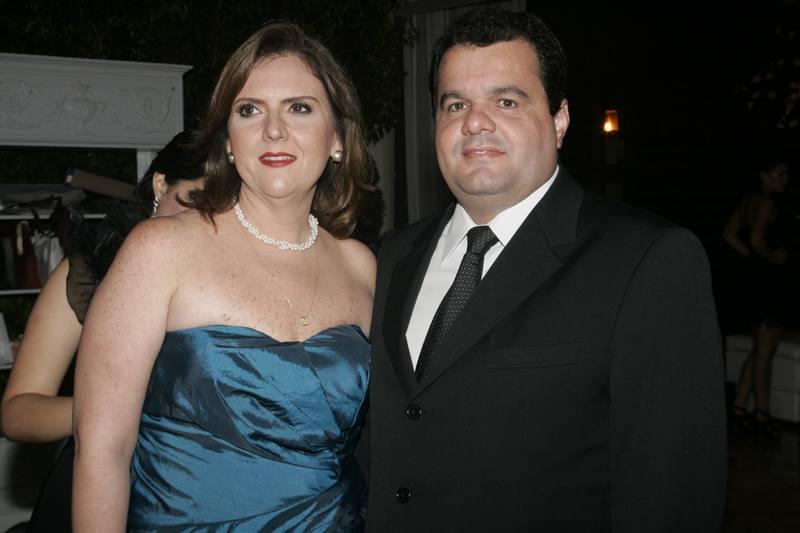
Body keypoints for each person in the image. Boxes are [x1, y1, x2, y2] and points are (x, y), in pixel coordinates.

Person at [366, 7, 726, 532]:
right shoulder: (392, 256)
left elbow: (674, 495)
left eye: (506, 101)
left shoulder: (647, 261)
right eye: (456, 104)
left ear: (559, 120)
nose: (475, 122)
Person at [72, 22, 375, 532]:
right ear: (229, 142)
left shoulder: (362, 266)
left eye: (300, 108)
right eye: (249, 110)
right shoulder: (159, 249)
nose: (273, 130)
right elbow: (102, 450)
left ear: (338, 140)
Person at [0, 129, 205, 533]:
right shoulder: (92, 270)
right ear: (160, 184)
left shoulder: (233, 283)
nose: (204, 223)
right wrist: (111, 408)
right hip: (95, 492)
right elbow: (17, 413)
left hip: (198, 497)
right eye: (195, 201)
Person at [722, 157, 791, 440]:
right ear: (764, 175)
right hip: (767, 285)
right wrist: (769, 257)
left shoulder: (747, 201)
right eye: (780, 174)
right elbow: (755, 239)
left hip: (757, 283)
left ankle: (739, 408)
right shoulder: (766, 203)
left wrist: (750, 258)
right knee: (765, 354)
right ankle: (762, 415)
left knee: (762, 350)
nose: (785, 179)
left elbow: (729, 234)